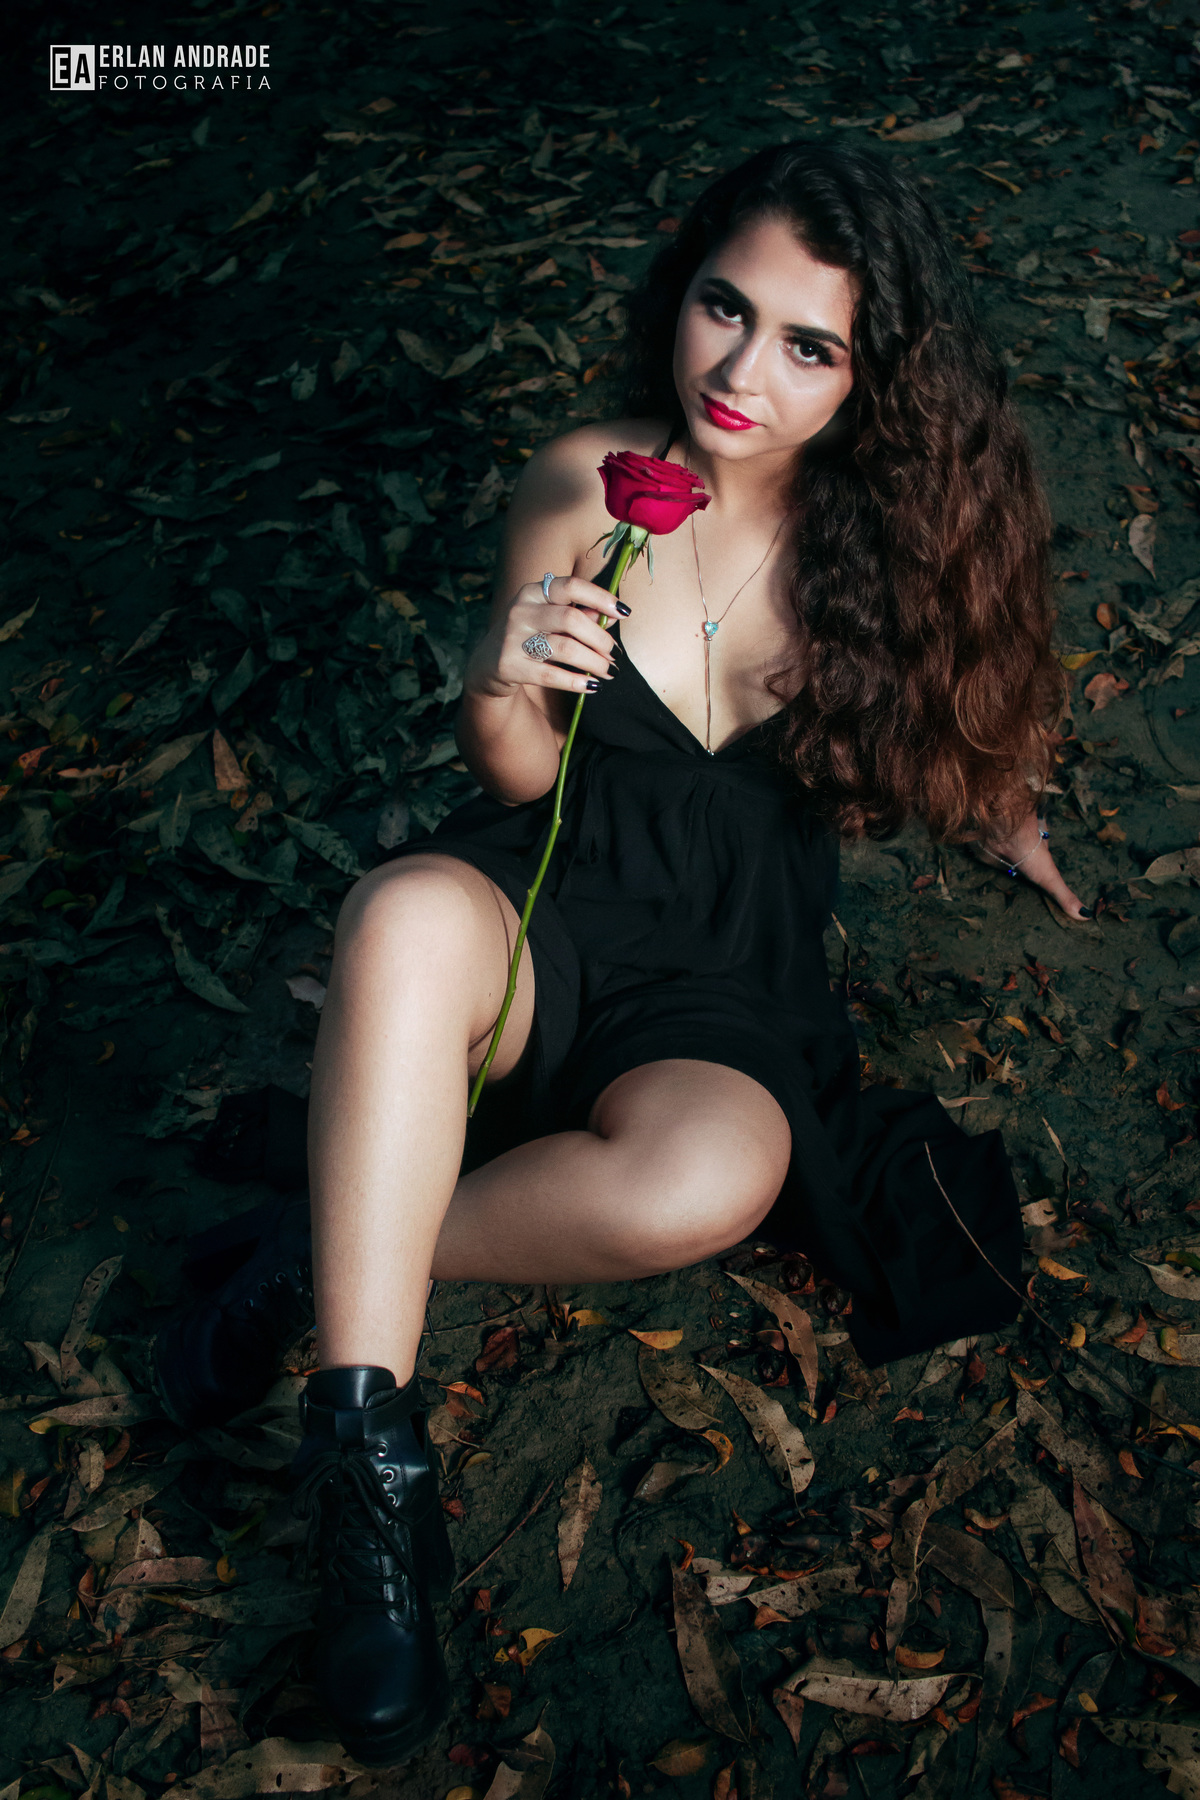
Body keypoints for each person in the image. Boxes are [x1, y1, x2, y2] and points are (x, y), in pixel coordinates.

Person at [152, 140, 1090, 1765]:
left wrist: (1009, 814)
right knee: (401, 914)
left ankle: (320, 1242)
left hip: (725, 976)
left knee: (709, 1179)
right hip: (545, 901)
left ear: (874, 378)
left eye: (809, 346)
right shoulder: (586, 480)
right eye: (725, 308)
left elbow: (978, 701)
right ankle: (371, 1489)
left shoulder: (897, 542)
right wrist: (501, 671)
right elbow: (522, 777)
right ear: (682, 290)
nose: (741, 372)